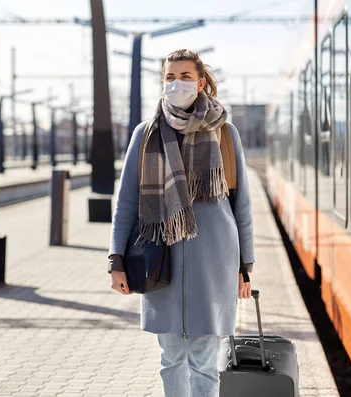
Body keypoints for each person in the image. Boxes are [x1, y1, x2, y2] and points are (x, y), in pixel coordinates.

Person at [107, 49, 255, 397]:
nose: (177, 84)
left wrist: (245, 267)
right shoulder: (146, 135)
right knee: (171, 358)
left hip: (215, 260)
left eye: (185, 76)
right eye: (170, 77)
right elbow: (126, 204)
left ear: (201, 82)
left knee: (204, 361)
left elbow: (242, 205)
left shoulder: (224, 133)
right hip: (159, 259)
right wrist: (116, 261)